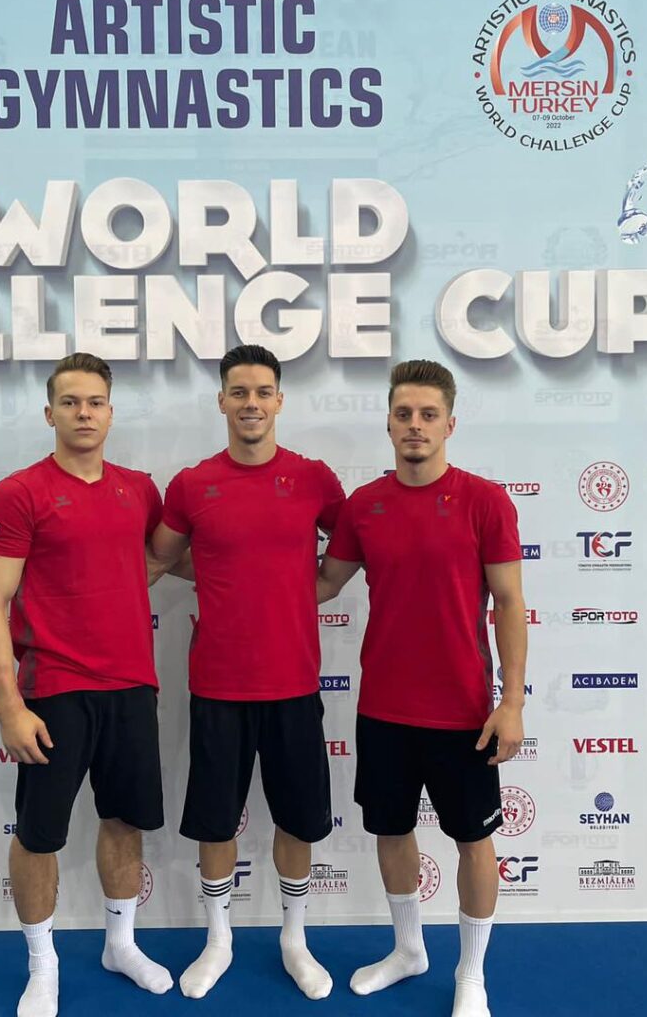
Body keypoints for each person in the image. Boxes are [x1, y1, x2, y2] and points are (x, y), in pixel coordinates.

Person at [317, 359, 526, 1017]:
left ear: (449, 425)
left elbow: (509, 603)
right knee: (392, 831)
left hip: (464, 711)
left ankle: (471, 974)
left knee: (474, 842)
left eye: (428, 414)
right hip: (384, 709)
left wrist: (512, 701)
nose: (415, 424)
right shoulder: (364, 506)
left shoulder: (484, 501)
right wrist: (233, 572)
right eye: (403, 413)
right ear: (387, 422)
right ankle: (408, 950)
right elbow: (323, 583)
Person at [0, 353, 174, 1017]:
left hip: (131, 687)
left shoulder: (138, 490)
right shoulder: (20, 493)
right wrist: (9, 706)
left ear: (110, 413)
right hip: (54, 689)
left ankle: (121, 944)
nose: (83, 413)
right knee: (39, 835)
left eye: (94, 402)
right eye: (70, 402)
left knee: (124, 820)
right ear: (50, 413)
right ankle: (42, 964)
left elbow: (159, 560)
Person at [151, 344, 345, 1000]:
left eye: (263, 392)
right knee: (215, 821)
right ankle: (219, 940)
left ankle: (295, 939)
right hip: (218, 687)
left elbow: (351, 552)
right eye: (239, 392)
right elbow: (158, 559)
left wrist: (310, 587)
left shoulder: (314, 479)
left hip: (294, 684)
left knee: (299, 820)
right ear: (222, 401)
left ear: (279, 400)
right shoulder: (192, 484)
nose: (251, 403)